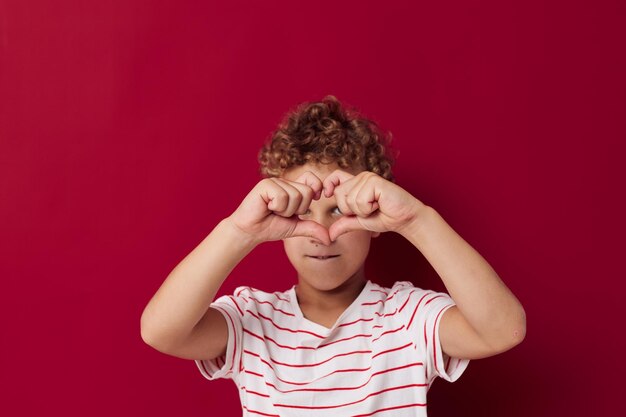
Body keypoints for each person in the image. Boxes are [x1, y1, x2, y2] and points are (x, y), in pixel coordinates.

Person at [140, 95, 526, 416]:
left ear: (373, 220)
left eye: (339, 210)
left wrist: (415, 221)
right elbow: (160, 331)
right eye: (303, 212)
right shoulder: (253, 318)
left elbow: (503, 329)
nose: (322, 235)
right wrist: (239, 231)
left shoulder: (406, 317)